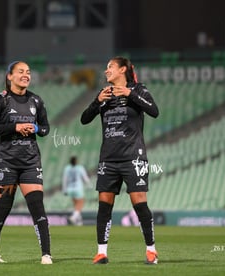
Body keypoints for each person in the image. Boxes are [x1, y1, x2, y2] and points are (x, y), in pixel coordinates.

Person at [80, 56, 160, 265]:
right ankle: (101, 252)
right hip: (108, 158)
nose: (106, 71)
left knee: (139, 204)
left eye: (110, 67)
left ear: (122, 70)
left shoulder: (138, 90)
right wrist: (98, 101)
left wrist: (130, 93)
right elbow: (84, 118)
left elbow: (154, 111)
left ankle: (151, 250)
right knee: (104, 206)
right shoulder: (104, 95)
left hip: (134, 157)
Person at [0, 61, 52, 265]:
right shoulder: (0, 100)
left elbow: (46, 128)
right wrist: (15, 127)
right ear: (10, 76)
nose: (25, 75)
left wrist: (36, 129)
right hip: (6, 163)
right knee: (3, 209)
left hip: (30, 162)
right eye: (20, 72)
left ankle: (46, 254)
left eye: (28, 72)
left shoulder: (36, 101)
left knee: (38, 207)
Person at [62, 156, 90, 226]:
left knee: (76, 205)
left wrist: (64, 189)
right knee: (80, 203)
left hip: (70, 188)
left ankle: (79, 222)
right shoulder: (80, 167)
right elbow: (85, 177)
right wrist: (89, 185)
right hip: (78, 188)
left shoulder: (67, 168)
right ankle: (73, 218)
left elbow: (64, 179)